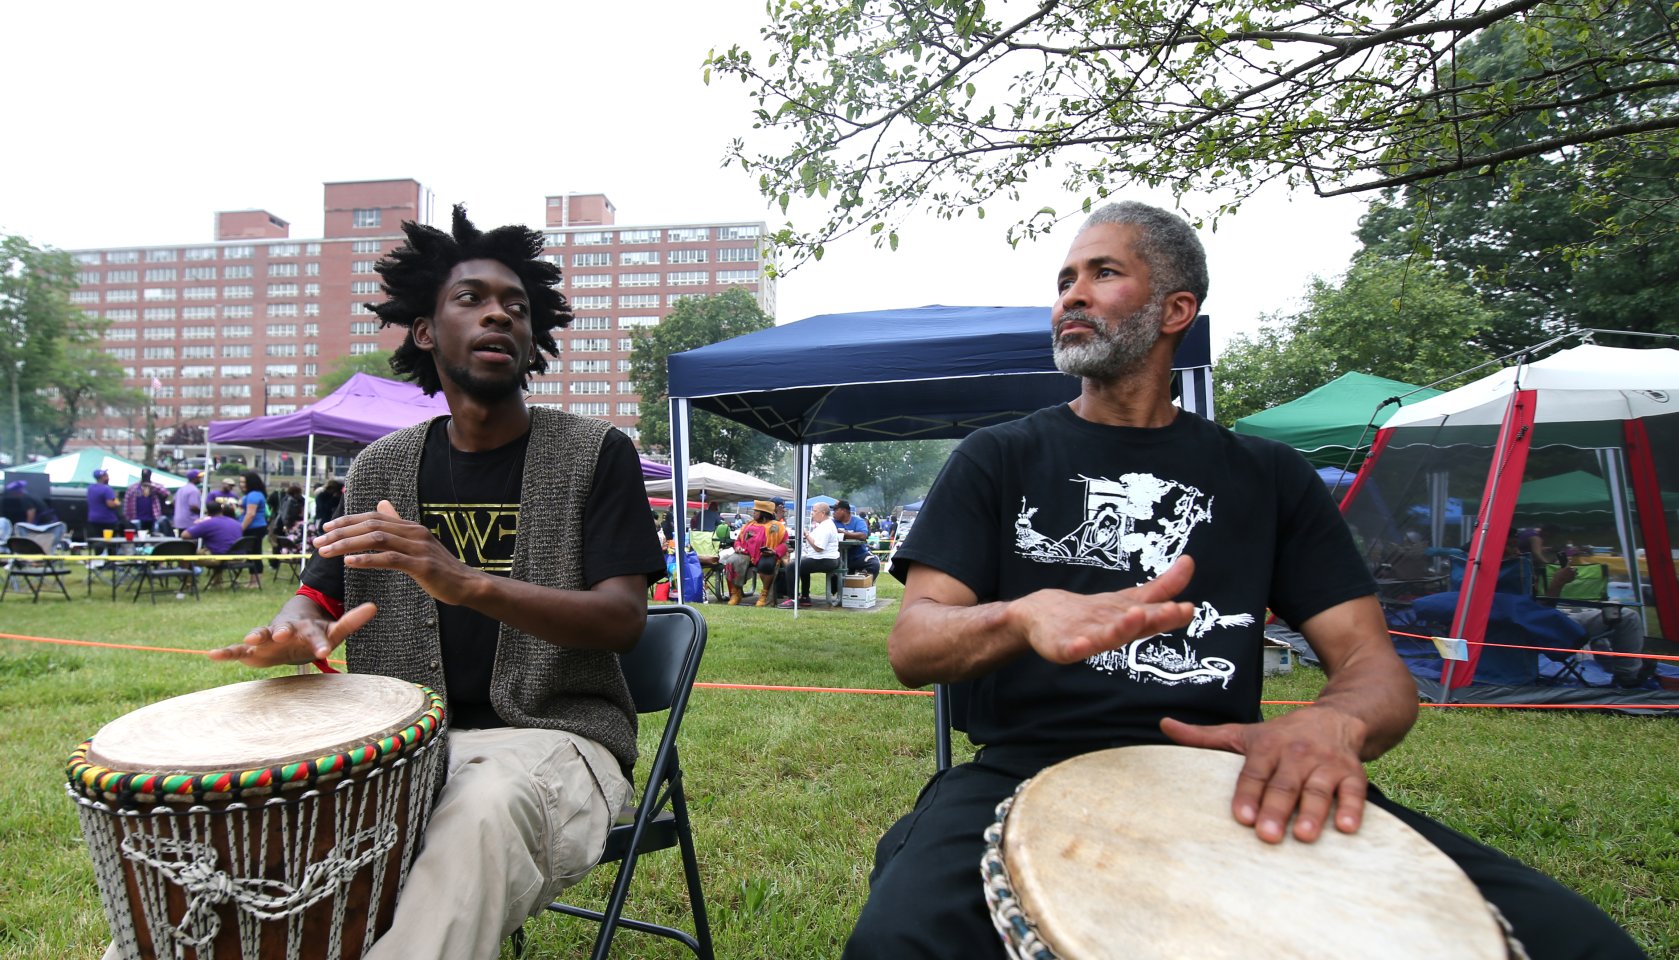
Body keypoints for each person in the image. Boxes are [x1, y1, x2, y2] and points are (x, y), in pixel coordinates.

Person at [843, 200, 1642, 960]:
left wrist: (1335, 727)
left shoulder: (1268, 477)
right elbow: (914, 642)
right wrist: (1017, 617)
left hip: (1231, 775)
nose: (1071, 297)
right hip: (1025, 769)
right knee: (898, 941)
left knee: (1573, 940)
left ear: (1174, 310)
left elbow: (1373, 670)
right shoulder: (999, 457)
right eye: (1063, 281)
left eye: (1101, 274)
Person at [205, 204, 663, 960]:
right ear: (425, 331)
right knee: (258, 824)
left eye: (516, 307)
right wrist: (296, 628)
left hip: (554, 739)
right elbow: (321, 587)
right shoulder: (380, 468)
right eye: (472, 299)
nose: (499, 316)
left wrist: (463, 580)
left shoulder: (594, 453)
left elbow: (620, 621)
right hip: (400, 746)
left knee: (481, 805)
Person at [1546, 564, 1654, 688]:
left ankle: (1620, 668)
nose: (1518, 551)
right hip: (1544, 625)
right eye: (1517, 547)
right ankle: (1627, 677)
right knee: (1628, 617)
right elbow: (1543, 613)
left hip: (1550, 617)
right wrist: (1558, 582)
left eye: (1517, 547)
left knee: (1607, 617)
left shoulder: (1523, 568)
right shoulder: (1520, 571)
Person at [724, 500, 787, 606]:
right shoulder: (749, 524)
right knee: (731, 561)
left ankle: (764, 595)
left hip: (766, 554)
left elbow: (785, 544)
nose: (753, 513)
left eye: (756, 511)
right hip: (745, 553)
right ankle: (736, 593)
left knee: (767, 565)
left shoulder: (777, 526)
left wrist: (774, 551)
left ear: (763, 513)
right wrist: (738, 547)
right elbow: (738, 540)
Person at [779, 501, 841, 607]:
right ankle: (805, 597)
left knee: (791, 567)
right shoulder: (825, 525)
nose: (812, 513)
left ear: (823, 513)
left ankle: (792, 599)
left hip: (825, 560)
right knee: (803, 564)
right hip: (826, 558)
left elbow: (819, 548)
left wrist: (806, 534)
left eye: (815, 511)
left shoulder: (826, 527)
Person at [833, 499, 880, 580]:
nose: (833, 512)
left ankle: (862, 585)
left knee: (874, 564)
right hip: (840, 557)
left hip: (859, 556)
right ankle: (836, 591)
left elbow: (863, 535)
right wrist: (852, 535)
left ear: (843, 510)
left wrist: (843, 533)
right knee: (834, 577)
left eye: (836, 510)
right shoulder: (832, 523)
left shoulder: (858, 521)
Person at [122, 468, 167, 535]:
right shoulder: (133, 487)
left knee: (153, 536)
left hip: (153, 518)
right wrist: (126, 516)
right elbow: (126, 502)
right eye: (144, 476)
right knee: (138, 537)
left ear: (150, 476)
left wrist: (152, 487)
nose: (146, 478)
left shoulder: (155, 486)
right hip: (136, 518)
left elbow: (166, 493)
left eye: (147, 476)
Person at [85, 468, 122, 539]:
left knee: (97, 540)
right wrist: (118, 504)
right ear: (102, 477)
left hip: (93, 519)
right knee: (110, 542)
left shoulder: (90, 488)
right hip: (107, 520)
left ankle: (98, 550)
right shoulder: (107, 489)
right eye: (106, 476)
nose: (108, 478)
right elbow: (110, 504)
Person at [171, 470, 204, 534]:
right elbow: (193, 507)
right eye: (199, 477)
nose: (201, 479)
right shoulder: (193, 490)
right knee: (192, 542)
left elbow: (173, 503)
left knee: (182, 542)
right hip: (190, 521)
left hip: (179, 521)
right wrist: (203, 512)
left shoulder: (181, 489)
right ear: (194, 478)